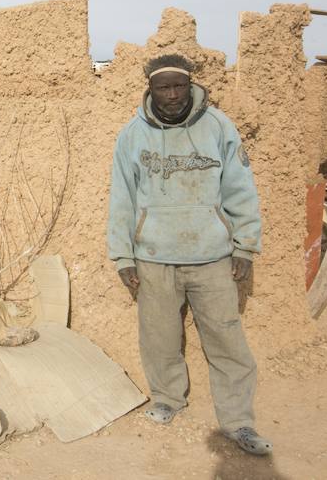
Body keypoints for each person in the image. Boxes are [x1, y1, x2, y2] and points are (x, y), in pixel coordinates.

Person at [107, 54, 273, 455]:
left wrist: (245, 246)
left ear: (190, 85)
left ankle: (238, 421)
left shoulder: (218, 126)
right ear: (150, 88)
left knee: (226, 339)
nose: (172, 95)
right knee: (159, 336)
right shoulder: (132, 135)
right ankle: (167, 399)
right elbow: (122, 199)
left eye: (178, 86)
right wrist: (123, 257)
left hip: (213, 256)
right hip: (154, 256)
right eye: (163, 87)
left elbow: (240, 188)